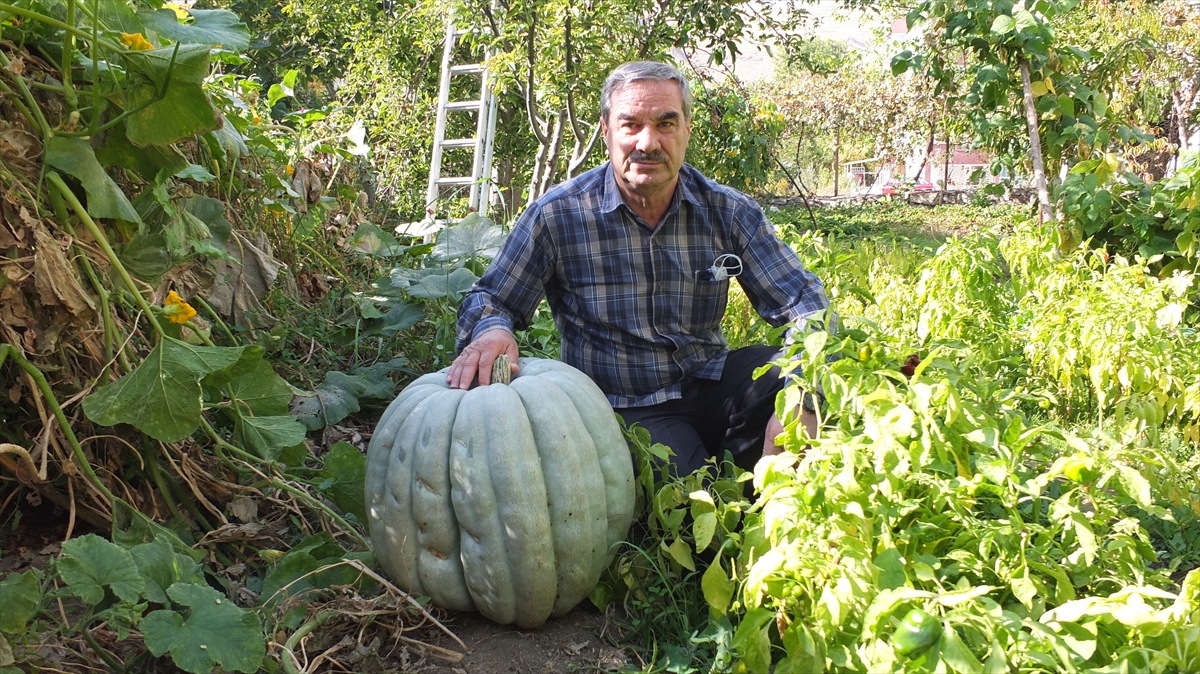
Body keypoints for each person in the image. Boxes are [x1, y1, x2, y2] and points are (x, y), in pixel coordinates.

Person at [447, 61, 829, 475]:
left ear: (686, 129)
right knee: (696, 503)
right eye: (631, 125)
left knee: (787, 382)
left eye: (666, 123)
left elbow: (804, 302)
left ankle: (760, 477)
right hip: (627, 404)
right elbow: (491, 298)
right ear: (606, 130)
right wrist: (493, 330)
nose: (648, 143)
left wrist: (803, 399)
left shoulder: (728, 211)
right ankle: (732, 488)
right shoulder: (559, 215)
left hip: (710, 379)